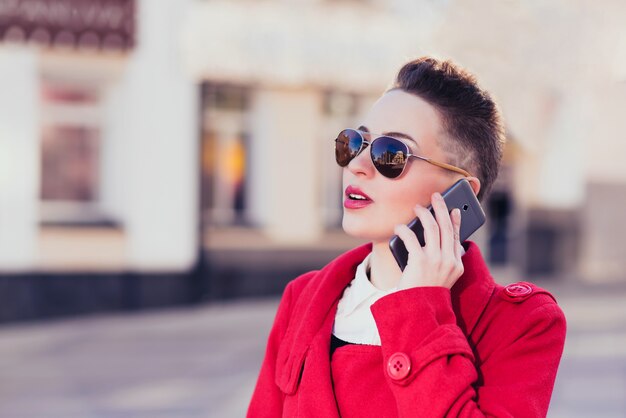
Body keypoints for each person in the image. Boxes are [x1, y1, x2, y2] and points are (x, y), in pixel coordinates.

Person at [247, 56, 566, 417]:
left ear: (459, 193)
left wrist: (420, 303)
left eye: (390, 154)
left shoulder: (521, 325)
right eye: (354, 143)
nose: (356, 165)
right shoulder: (304, 301)